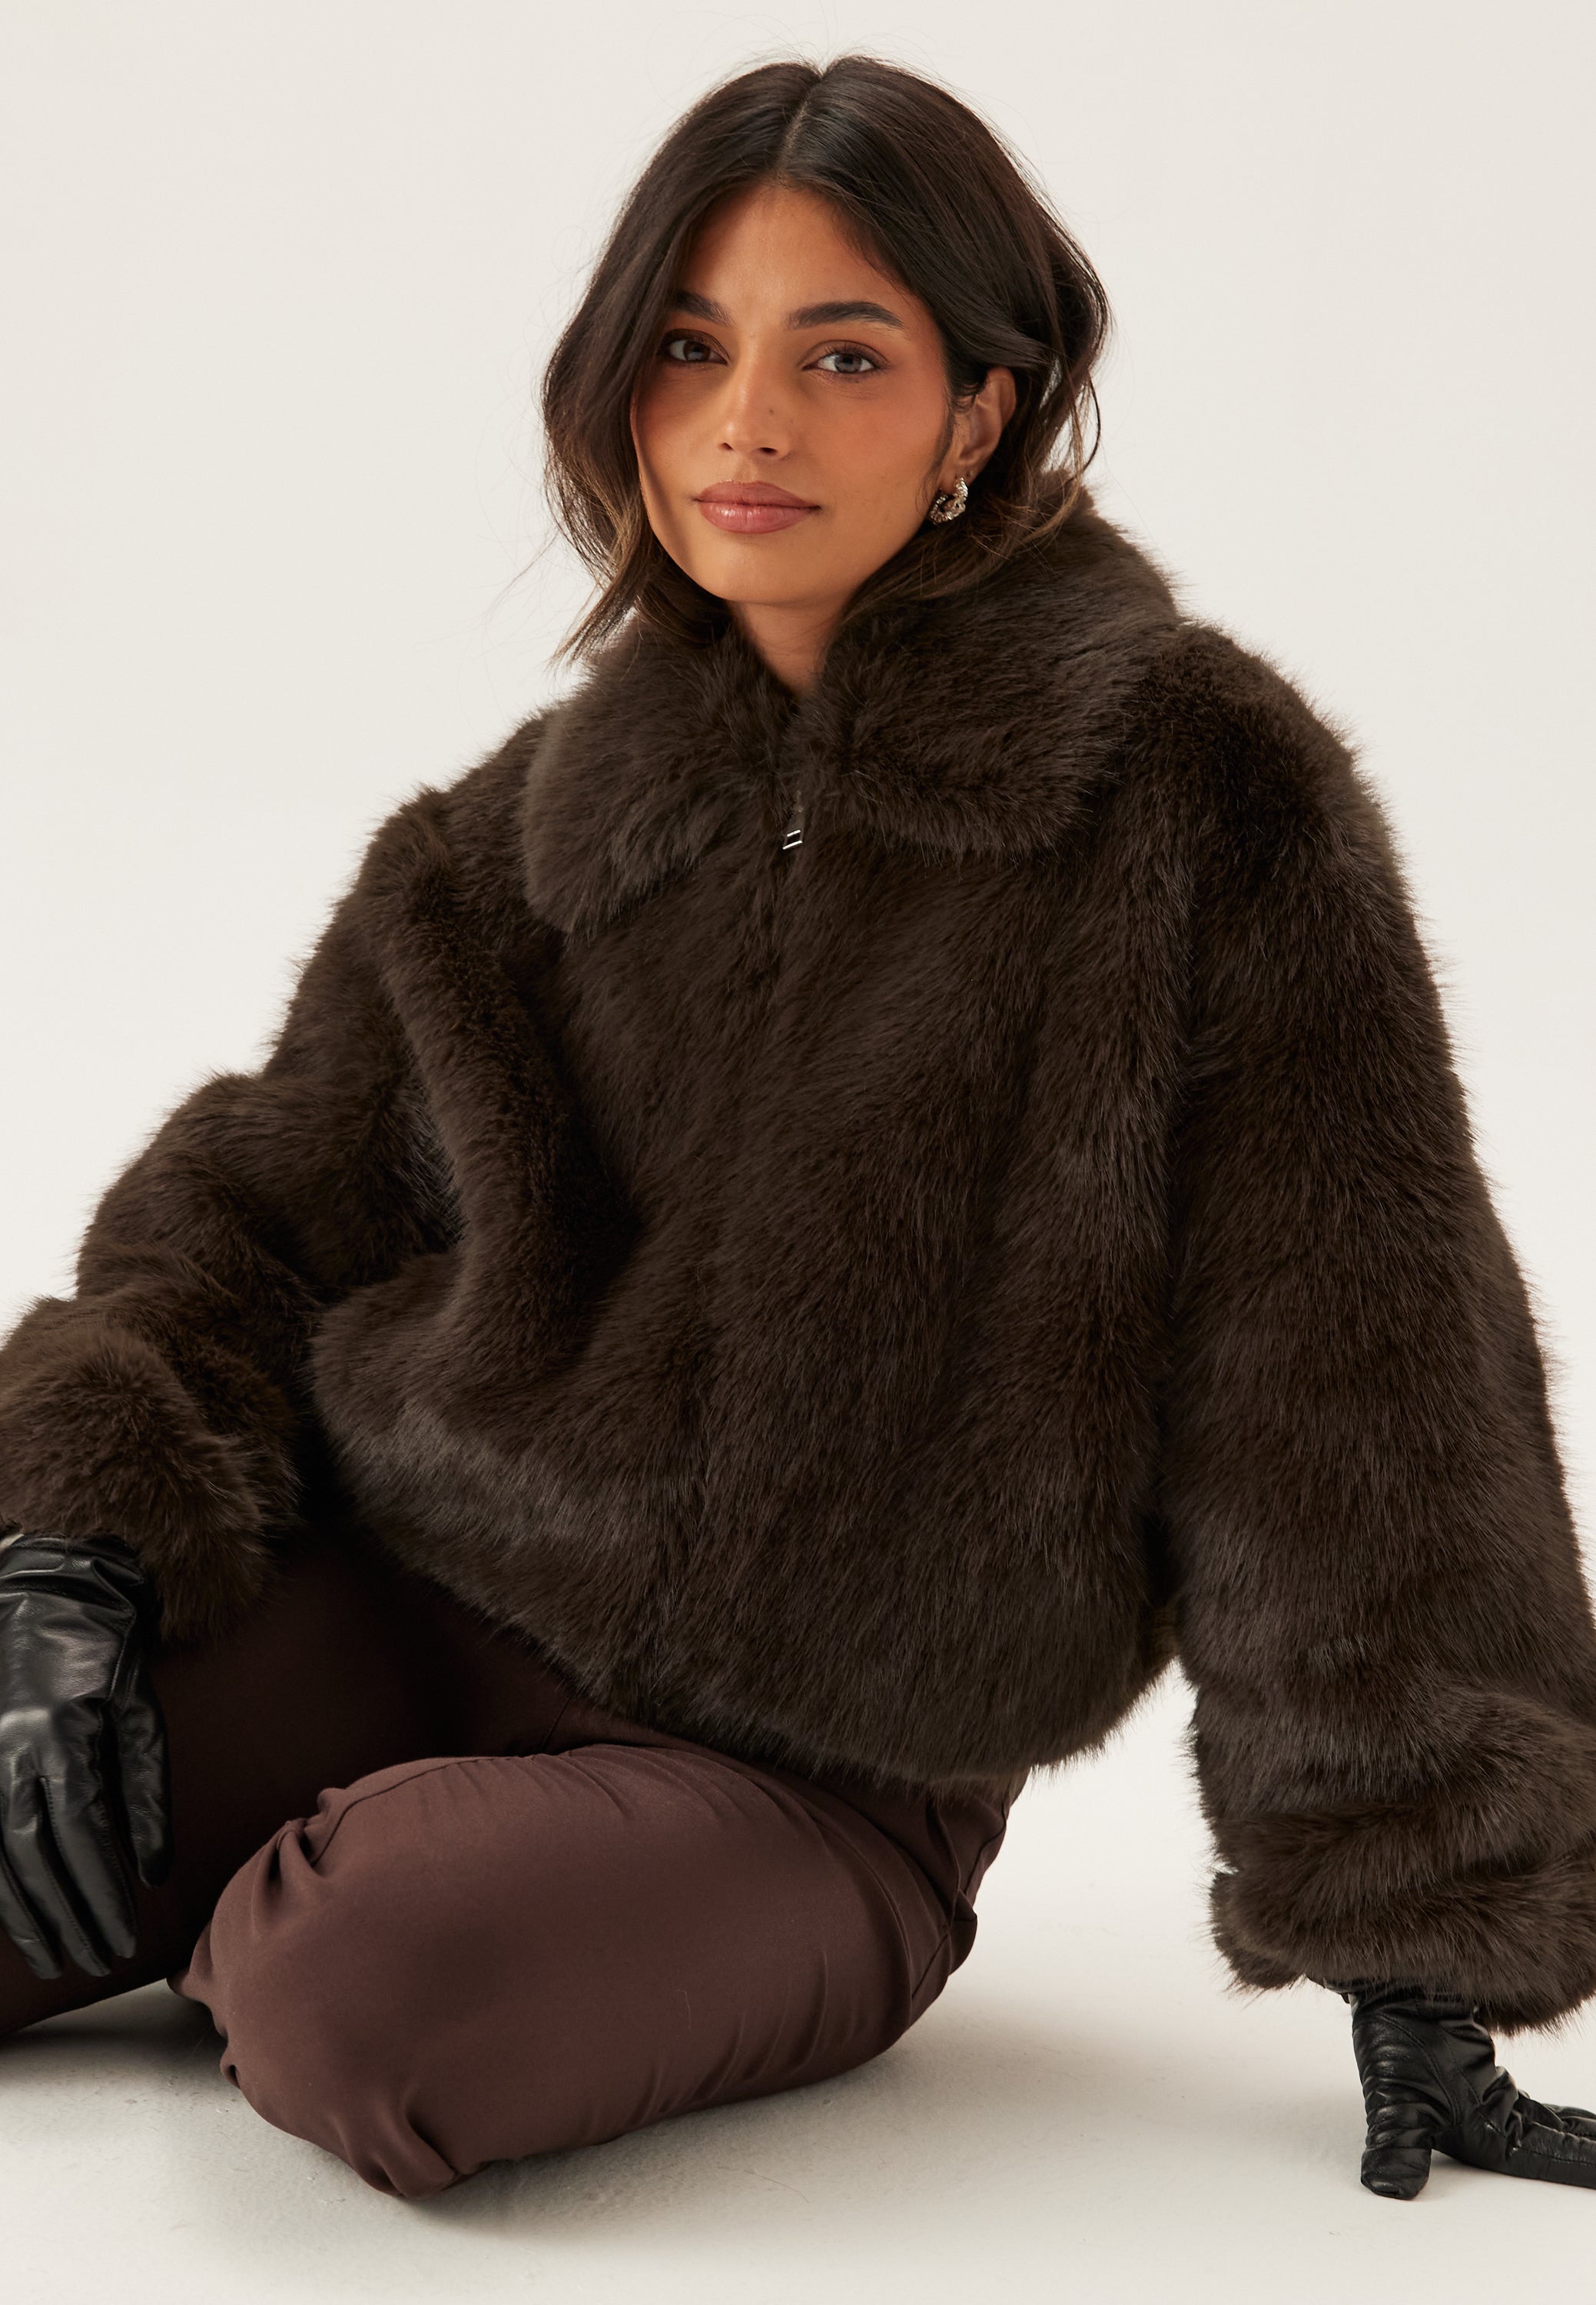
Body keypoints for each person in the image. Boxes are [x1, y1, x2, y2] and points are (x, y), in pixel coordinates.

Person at [1, 52, 1594, 2208]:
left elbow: (1356, 1376)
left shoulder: (1193, 796)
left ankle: (319, 1891)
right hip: (408, 1607)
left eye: (842, 355)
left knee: (365, 1990)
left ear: (979, 412)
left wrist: (1424, 1948)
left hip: (829, 1780)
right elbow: (249, 1222)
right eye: (688, 348)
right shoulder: (512, 843)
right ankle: (282, 1848)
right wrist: (70, 1557)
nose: (746, 422)